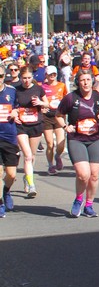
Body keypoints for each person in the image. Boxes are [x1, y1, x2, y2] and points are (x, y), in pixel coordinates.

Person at [56, 69, 99, 218]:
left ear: (92, 81)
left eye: (88, 79)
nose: (86, 83)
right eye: (82, 80)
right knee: (83, 174)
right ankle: (78, 199)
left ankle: (89, 205)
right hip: (77, 139)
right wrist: (65, 126)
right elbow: (58, 115)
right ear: (78, 82)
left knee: (94, 175)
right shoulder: (71, 98)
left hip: (96, 138)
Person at [12, 68, 46, 197]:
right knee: (27, 155)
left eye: (29, 78)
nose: (26, 81)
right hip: (21, 125)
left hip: (36, 125)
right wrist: (15, 115)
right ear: (21, 78)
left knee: (32, 155)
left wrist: (40, 102)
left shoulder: (38, 89)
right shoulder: (16, 90)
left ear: (32, 77)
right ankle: (32, 185)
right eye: (24, 78)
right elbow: (12, 107)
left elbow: (47, 104)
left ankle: (27, 177)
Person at [0, 77, 20, 217]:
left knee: (11, 174)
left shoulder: (12, 91)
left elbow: (20, 106)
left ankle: (6, 190)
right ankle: (0, 202)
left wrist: (16, 111)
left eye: (0, 76)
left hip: (9, 137)